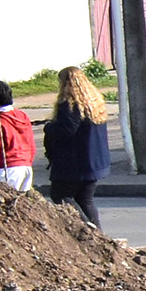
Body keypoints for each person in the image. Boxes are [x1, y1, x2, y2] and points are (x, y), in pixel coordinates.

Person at [40, 66, 111, 229]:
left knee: (60, 195)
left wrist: (49, 128)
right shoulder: (94, 103)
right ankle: (98, 235)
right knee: (85, 199)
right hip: (95, 162)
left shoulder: (70, 105)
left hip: (75, 164)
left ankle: (87, 229)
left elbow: (65, 131)